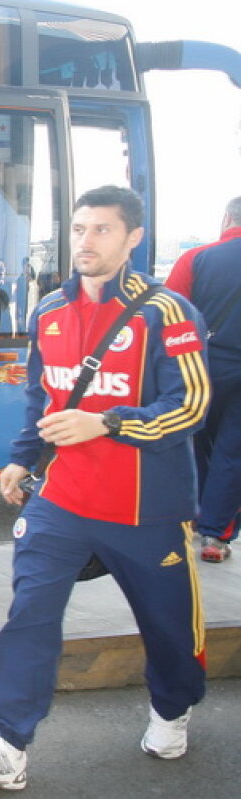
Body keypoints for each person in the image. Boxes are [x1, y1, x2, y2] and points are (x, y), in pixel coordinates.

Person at [0, 185, 210, 790]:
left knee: (168, 628)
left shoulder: (166, 313)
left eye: (102, 230)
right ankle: (2, 744)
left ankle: (172, 708)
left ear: (133, 238)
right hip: (62, 500)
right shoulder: (48, 313)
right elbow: (44, 397)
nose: (86, 242)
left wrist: (109, 422)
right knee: (29, 615)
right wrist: (21, 460)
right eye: (80, 229)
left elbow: (191, 405)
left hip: (147, 508)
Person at [165, 195, 241, 563]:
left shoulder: (196, 258)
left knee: (193, 440)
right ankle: (215, 537)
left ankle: (189, 520)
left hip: (202, 366)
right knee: (234, 452)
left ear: (227, 218)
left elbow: (168, 314)